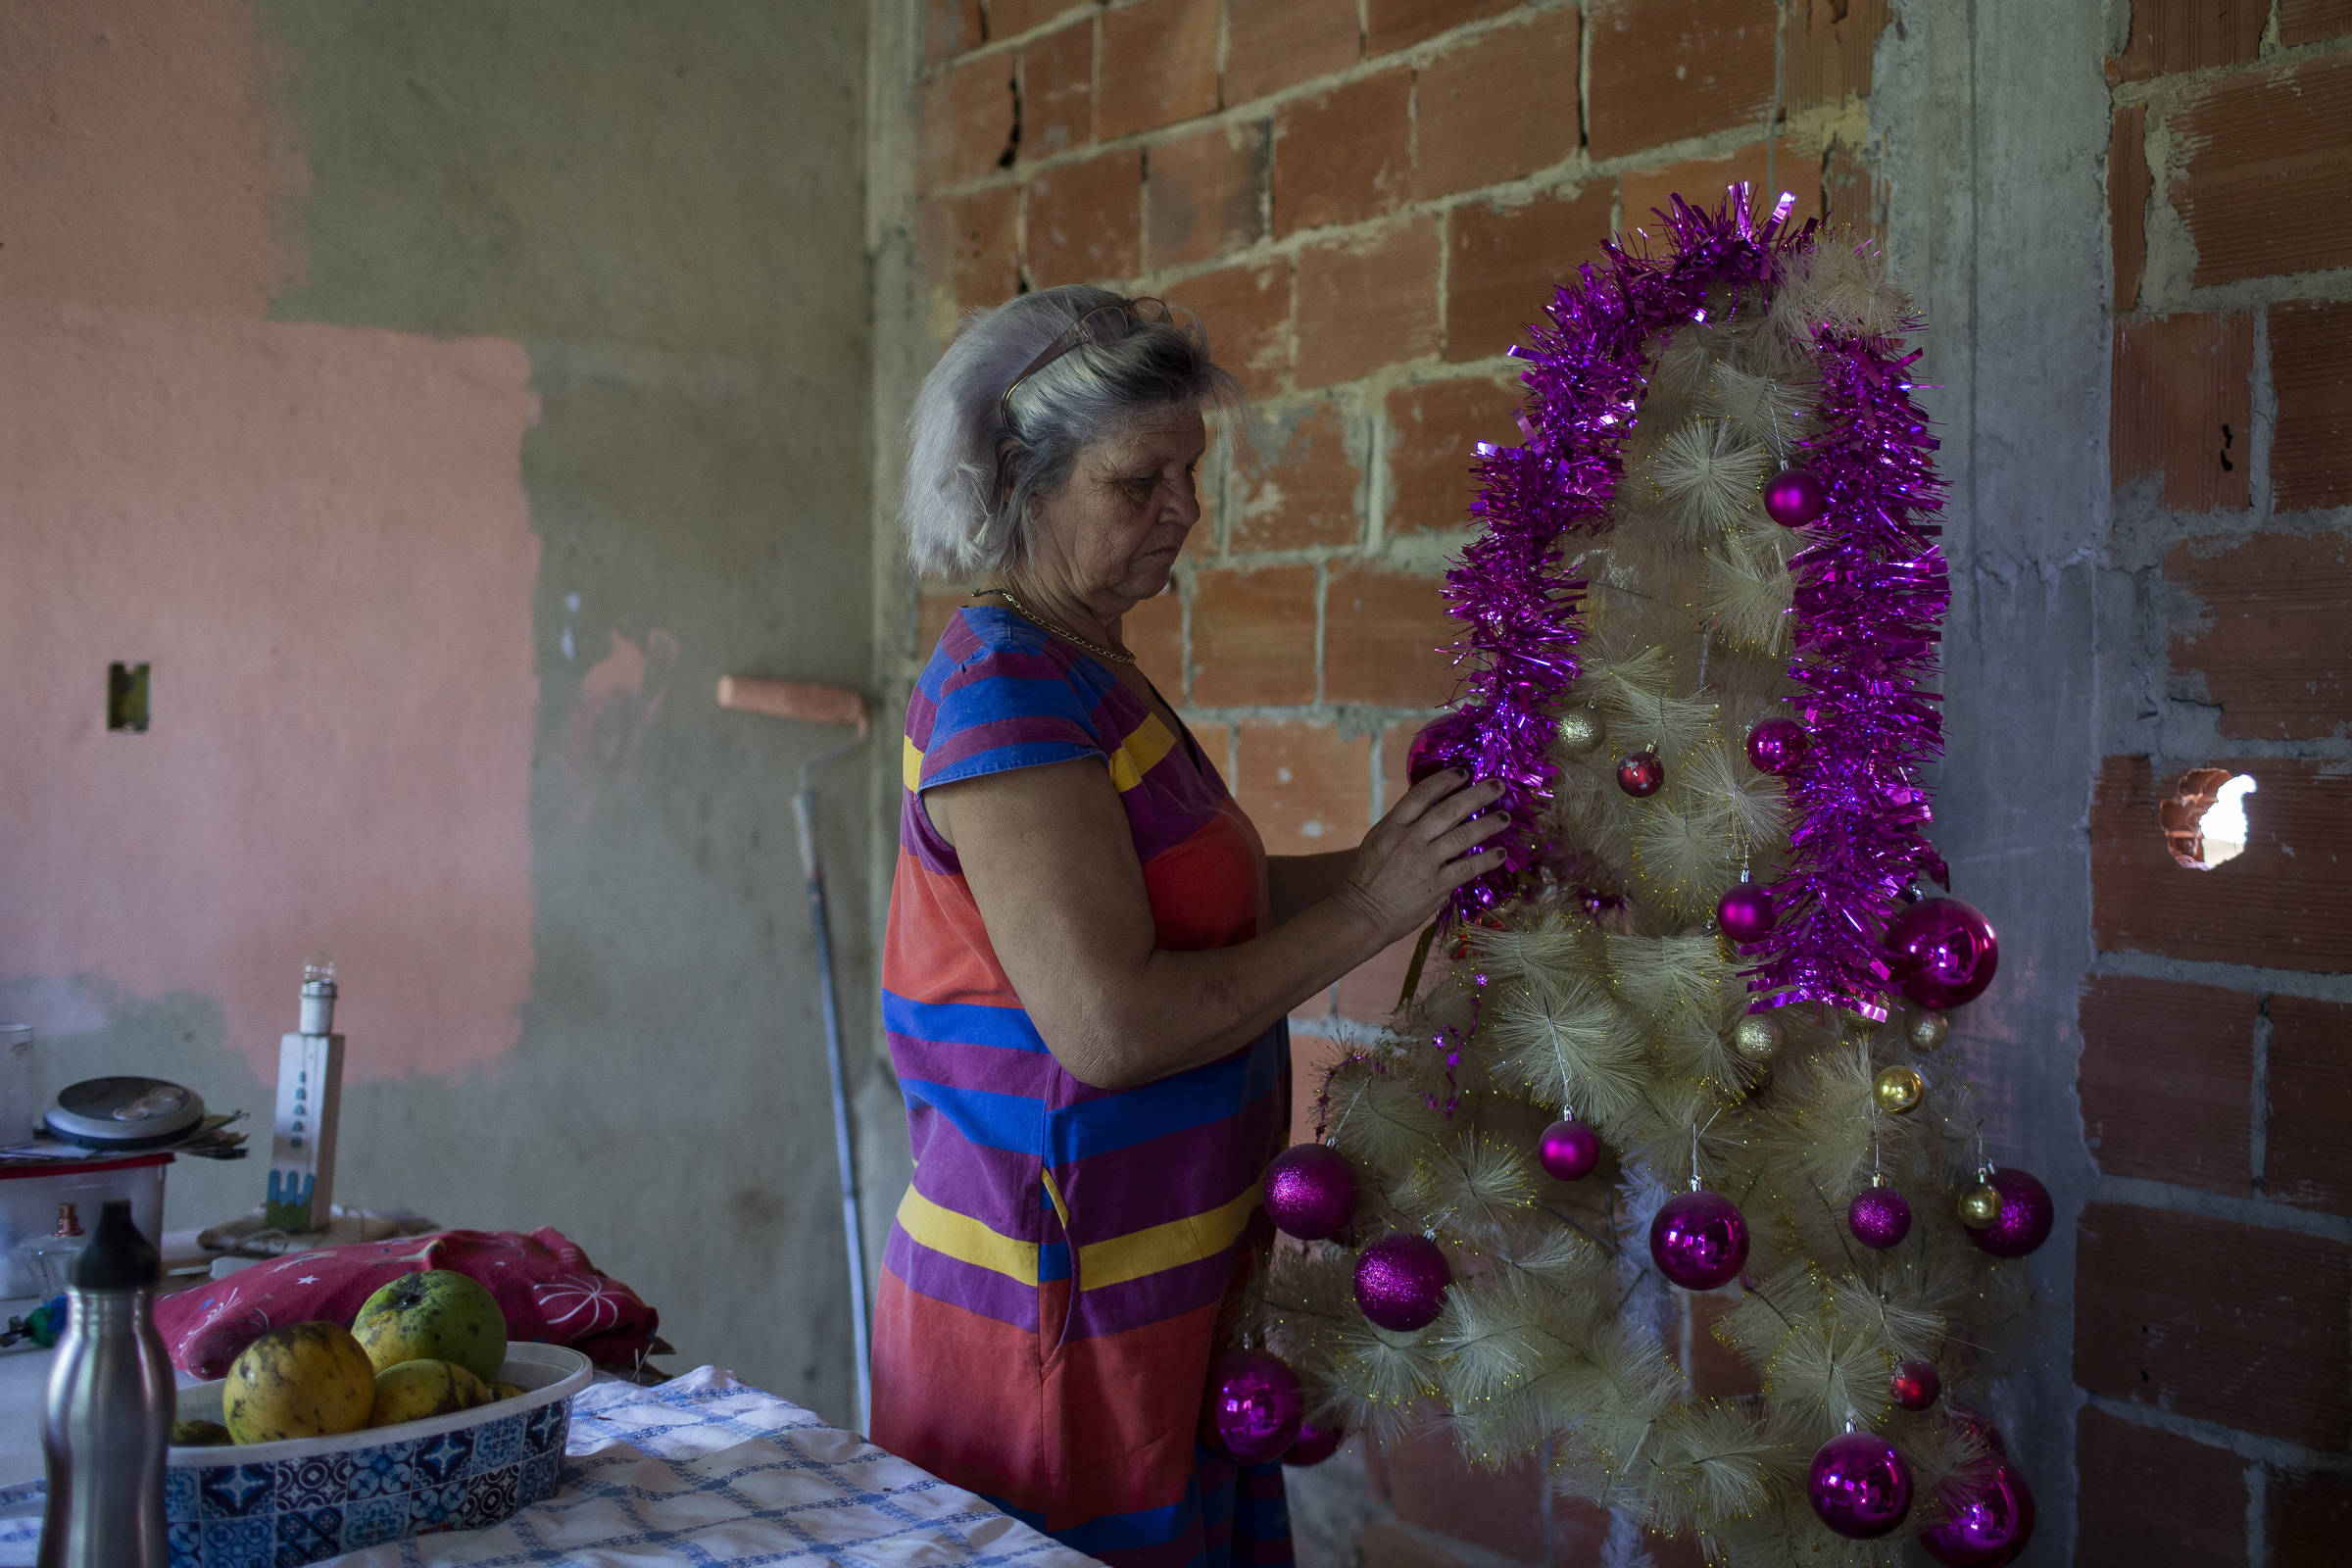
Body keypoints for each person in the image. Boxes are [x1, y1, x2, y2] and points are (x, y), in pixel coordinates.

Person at [872, 285, 1506, 1566]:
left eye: (1191, 473)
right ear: (1020, 481)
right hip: (1050, 1305)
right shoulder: (1006, 690)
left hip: (1154, 1270)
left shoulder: (1087, 667)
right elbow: (1111, 1026)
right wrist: (1379, 908)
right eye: (1137, 481)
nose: (1183, 511)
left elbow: (1212, 909)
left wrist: (1406, 858)